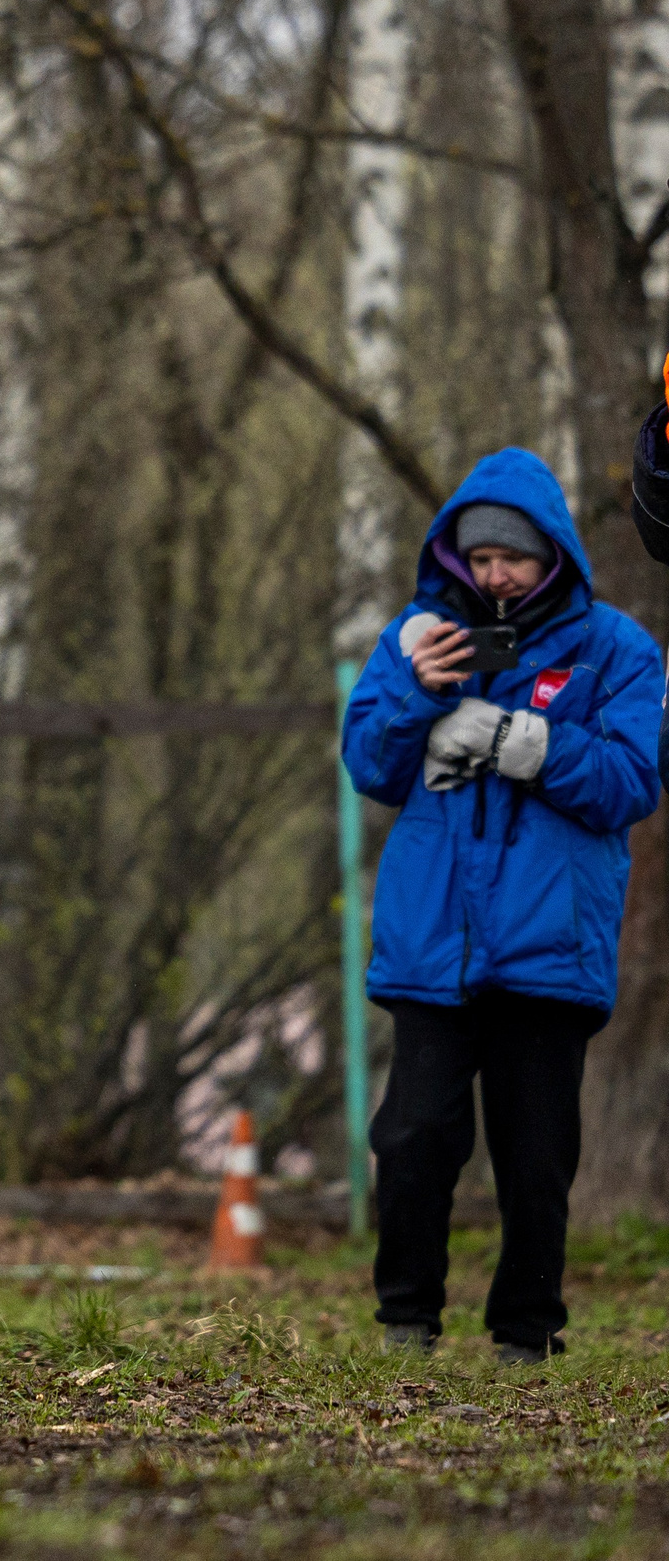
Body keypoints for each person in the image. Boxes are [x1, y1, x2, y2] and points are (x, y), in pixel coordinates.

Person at [343, 447, 661, 1363]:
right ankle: (407, 1321)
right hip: (433, 943)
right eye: (479, 559)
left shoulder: (618, 651)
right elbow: (370, 763)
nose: (495, 575)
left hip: (549, 947)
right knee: (412, 1140)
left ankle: (526, 1333)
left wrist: (526, 742)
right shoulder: (419, 639)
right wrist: (414, 692)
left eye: (512, 558)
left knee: (535, 1158)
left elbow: (631, 782)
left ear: (553, 554)